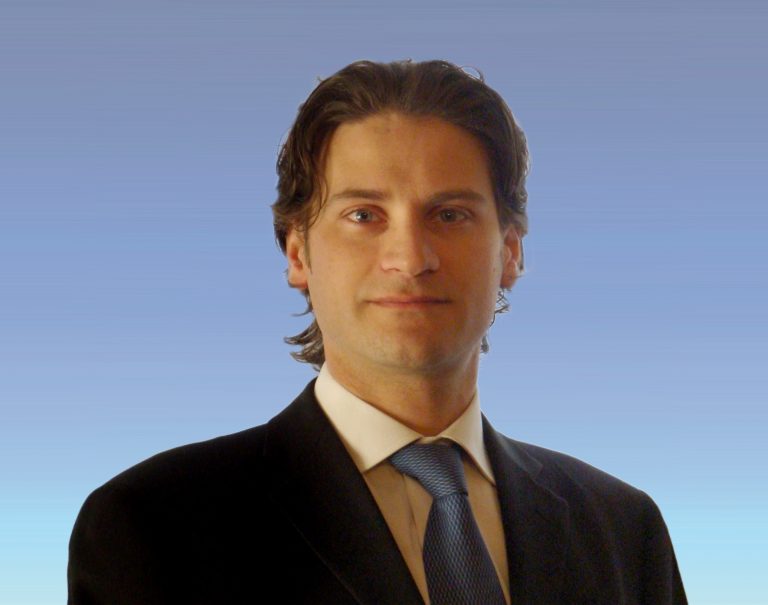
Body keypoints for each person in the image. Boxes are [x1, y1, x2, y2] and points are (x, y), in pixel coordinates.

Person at [68, 59, 687, 605]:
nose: (410, 257)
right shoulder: (154, 525)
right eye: (364, 215)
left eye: (450, 214)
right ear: (297, 253)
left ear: (511, 251)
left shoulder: (623, 531)